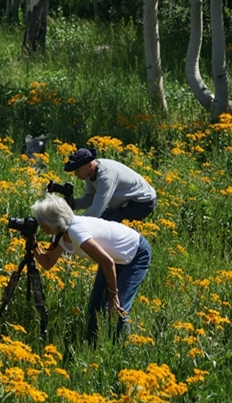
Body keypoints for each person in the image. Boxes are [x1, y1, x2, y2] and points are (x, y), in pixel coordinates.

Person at [28, 194, 152, 345]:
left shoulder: (75, 230)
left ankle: (127, 350)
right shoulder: (60, 233)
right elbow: (47, 263)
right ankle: (93, 347)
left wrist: (113, 295)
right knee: (95, 308)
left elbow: (107, 262)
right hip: (112, 258)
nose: (40, 226)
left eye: (42, 223)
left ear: (53, 221)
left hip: (135, 253)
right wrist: (33, 244)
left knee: (116, 309)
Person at [64, 147, 157, 223]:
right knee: (102, 225)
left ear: (89, 165)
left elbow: (96, 211)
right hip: (124, 201)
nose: (75, 174)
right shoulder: (91, 172)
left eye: (77, 170)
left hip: (142, 201)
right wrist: (72, 204)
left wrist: (73, 224)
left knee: (111, 229)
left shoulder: (106, 178)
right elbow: (90, 198)